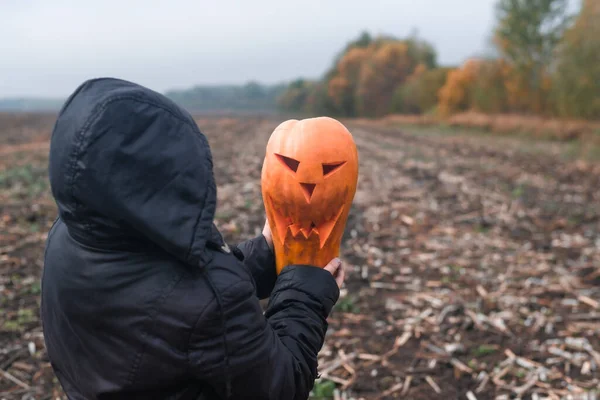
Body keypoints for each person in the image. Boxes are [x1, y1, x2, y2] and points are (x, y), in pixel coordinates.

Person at [40, 77, 345, 400]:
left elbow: (175, 299)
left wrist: (265, 253)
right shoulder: (209, 301)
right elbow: (281, 384)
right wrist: (307, 299)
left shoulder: (68, 238)